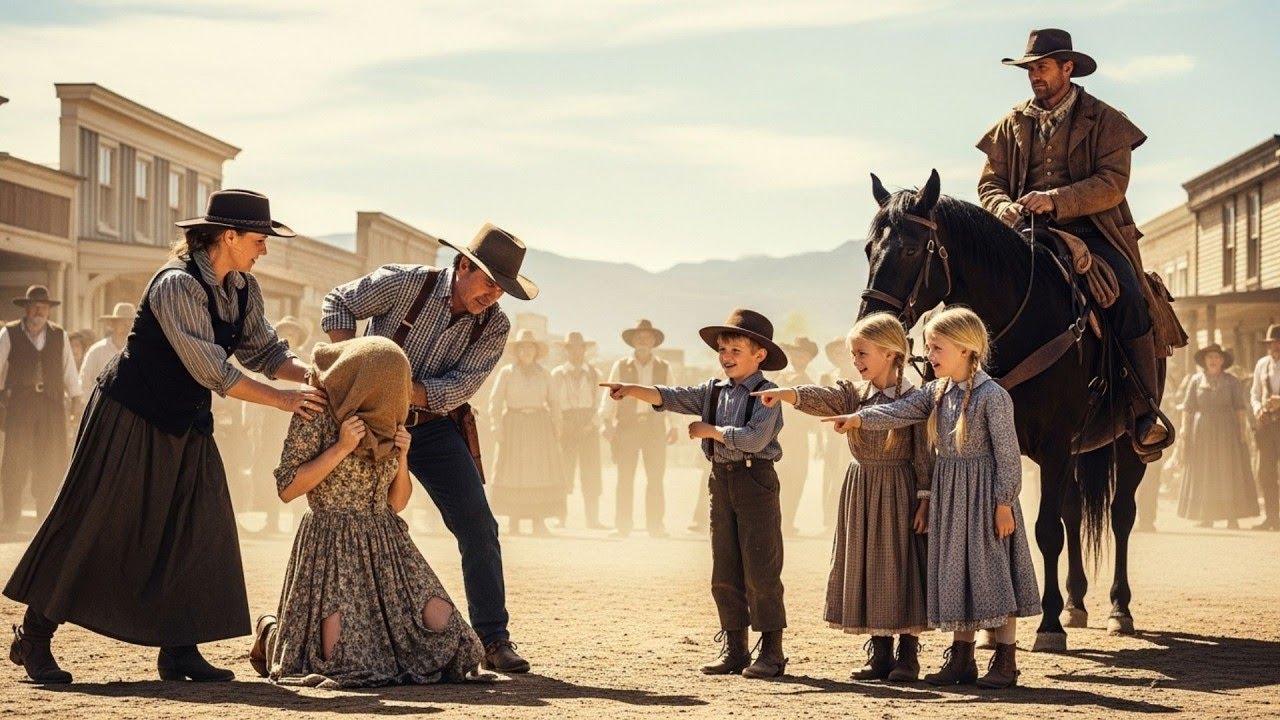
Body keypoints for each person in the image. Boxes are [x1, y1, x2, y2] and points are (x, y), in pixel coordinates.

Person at [5, 189, 326, 684]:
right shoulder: (176, 284)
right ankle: (35, 635)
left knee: (198, 524)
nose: (264, 249)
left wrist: (309, 377)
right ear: (228, 235)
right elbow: (211, 368)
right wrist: (283, 399)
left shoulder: (244, 287)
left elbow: (265, 350)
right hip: (129, 414)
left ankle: (179, 649)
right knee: (96, 520)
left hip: (186, 419)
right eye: (259, 239)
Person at [320, 223, 536, 674]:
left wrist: (391, 383)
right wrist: (354, 359)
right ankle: (337, 635)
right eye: (489, 282)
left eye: (502, 288)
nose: (493, 295)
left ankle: (493, 638)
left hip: (434, 429)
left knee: (479, 526)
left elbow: (458, 388)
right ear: (462, 265)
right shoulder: (405, 282)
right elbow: (338, 301)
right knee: (352, 524)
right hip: (368, 422)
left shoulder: (495, 326)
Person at [976, 28, 1186, 459]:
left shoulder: (1106, 119)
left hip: (1096, 234)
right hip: (1025, 234)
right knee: (973, 292)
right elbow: (990, 184)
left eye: (1043, 67)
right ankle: (957, 397)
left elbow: (1112, 184)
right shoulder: (1010, 124)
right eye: (1030, 69)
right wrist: (1003, 208)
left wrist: (1056, 200)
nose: (1035, 76)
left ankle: (1144, 412)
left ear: (1067, 68)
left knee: (1129, 295)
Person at [824, 307, 1041, 689]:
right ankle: (962, 660)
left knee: (993, 575)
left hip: (985, 498)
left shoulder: (993, 396)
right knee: (960, 575)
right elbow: (900, 410)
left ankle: (1005, 661)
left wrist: (1004, 503)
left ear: (965, 349)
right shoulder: (937, 392)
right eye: (928, 347)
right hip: (951, 495)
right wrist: (859, 419)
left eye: (937, 347)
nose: (930, 355)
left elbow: (1008, 455)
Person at [250, 337, 483, 687]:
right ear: (365, 381)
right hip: (332, 543)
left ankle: (290, 633)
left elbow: (397, 503)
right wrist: (342, 448)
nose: (402, 393)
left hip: (387, 543)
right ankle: (271, 632)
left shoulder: (388, 419)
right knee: (341, 659)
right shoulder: (315, 413)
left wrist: (403, 457)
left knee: (449, 635)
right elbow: (288, 488)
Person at [603, 308, 789, 679]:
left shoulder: (769, 394)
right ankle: (734, 648)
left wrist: (712, 432)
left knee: (761, 568)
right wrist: (631, 390)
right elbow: (670, 396)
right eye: (722, 350)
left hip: (756, 481)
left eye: (736, 350)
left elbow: (755, 438)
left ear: (759, 355)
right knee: (724, 567)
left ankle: (771, 651)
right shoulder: (712, 391)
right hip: (721, 480)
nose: (726, 357)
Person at [754, 314, 931, 682]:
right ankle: (880, 652)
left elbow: (923, 454)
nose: (856, 361)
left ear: (889, 352)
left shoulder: (914, 398)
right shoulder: (854, 393)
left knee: (901, 566)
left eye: (862, 353)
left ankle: (908, 655)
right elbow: (825, 398)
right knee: (867, 565)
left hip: (898, 486)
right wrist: (789, 394)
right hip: (861, 484)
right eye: (854, 354)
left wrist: (925, 498)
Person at [0, 286, 83, 531]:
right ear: (26, 308)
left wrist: (76, 399)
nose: (39, 312)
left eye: (44, 307)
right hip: (21, 406)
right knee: (15, 459)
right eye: (35, 307)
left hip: (51, 404)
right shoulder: (9, 333)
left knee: (50, 459)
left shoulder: (59, 335)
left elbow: (69, 371)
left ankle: (44, 519)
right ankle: (11, 519)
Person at [601, 319, 677, 538]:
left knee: (655, 478)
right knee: (625, 477)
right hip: (627, 427)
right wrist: (607, 422)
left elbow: (672, 396)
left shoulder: (664, 367)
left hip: (654, 427)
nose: (643, 340)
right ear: (633, 341)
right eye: (639, 337)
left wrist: (674, 425)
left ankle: (656, 526)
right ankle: (622, 525)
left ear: (653, 341)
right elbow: (608, 397)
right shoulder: (621, 365)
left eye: (647, 337)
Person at [488, 329, 564, 535]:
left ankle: (538, 521)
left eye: (530, 347)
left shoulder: (545, 373)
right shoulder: (507, 372)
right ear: (517, 350)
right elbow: (495, 402)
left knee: (538, 473)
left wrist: (557, 427)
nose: (526, 351)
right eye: (522, 347)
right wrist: (496, 426)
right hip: (513, 425)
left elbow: (555, 402)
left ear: (536, 351)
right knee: (514, 473)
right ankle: (514, 521)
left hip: (539, 426)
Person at [1175, 344, 1258, 529]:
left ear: (1222, 361)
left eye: (1217, 357)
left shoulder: (1232, 381)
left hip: (1227, 431)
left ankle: (1232, 517)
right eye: (1210, 357)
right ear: (1204, 361)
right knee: (1205, 471)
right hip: (1202, 431)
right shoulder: (1196, 381)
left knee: (1229, 471)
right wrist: (1184, 430)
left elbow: (1240, 408)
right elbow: (1187, 409)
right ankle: (1206, 516)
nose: (1213, 360)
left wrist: (1242, 432)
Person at [243, 315, 311, 535]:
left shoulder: (303, 362)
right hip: (270, 419)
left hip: (297, 418)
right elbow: (255, 390)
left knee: (299, 468)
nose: (288, 337)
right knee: (269, 468)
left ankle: (297, 524)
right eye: (284, 333)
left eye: (292, 333)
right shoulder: (268, 362)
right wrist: (251, 422)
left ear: (298, 338)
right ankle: (271, 521)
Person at [551, 331, 606, 529]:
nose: (575, 352)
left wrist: (592, 423)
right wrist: (559, 424)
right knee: (564, 471)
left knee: (591, 472)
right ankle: (561, 516)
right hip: (565, 424)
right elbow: (552, 402)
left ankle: (593, 518)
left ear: (584, 350)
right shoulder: (556, 374)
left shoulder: (594, 374)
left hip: (588, 425)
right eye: (571, 348)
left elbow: (601, 402)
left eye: (578, 348)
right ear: (566, 351)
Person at [774, 337, 821, 536]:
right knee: (776, 479)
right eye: (795, 352)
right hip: (776, 435)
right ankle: (774, 521)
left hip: (798, 439)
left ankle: (788, 521)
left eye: (803, 354)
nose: (798, 357)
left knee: (796, 480)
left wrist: (818, 440)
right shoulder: (776, 379)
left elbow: (815, 418)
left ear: (809, 359)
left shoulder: (810, 384)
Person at [820, 338, 858, 529]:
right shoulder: (828, 376)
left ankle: (842, 519)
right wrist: (820, 441)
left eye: (842, 352)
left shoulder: (859, 374)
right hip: (831, 435)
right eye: (835, 353)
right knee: (829, 475)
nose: (839, 356)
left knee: (844, 474)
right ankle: (828, 519)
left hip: (851, 432)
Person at [1250, 324, 1280, 531]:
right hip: (1267, 425)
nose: (1274, 347)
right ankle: (1271, 517)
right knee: (1266, 472)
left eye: (1277, 344)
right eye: (1271, 344)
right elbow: (1254, 393)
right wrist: (1258, 408)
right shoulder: (1262, 365)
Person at [78, 303, 136, 392]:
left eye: (130, 322)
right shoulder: (97, 351)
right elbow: (84, 382)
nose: (127, 326)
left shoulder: (139, 352)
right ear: (113, 324)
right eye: (122, 322)